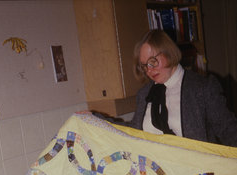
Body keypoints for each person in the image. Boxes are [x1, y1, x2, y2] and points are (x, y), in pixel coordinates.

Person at [94, 30, 237, 147]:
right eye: (144, 65)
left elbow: (229, 131)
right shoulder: (144, 94)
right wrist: (94, 119)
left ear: (168, 52)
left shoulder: (202, 88)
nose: (149, 70)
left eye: (153, 61)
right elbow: (133, 130)